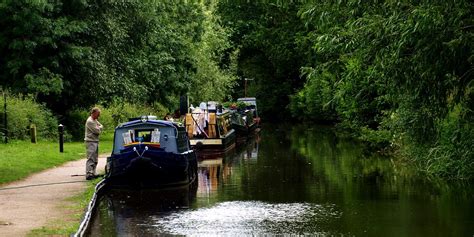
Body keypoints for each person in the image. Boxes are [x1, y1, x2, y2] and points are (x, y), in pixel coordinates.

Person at [84, 107, 103, 180]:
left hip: (95, 141)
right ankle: (89, 174)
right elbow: (97, 131)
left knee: (95, 158)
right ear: (94, 113)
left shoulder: (94, 120)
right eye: (98, 114)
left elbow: (101, 126)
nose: (99, 116)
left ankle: (93, 173)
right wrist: (99, 128)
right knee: (91, 157)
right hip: (90, 141)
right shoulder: (90, 121)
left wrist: (99, 127)